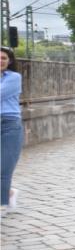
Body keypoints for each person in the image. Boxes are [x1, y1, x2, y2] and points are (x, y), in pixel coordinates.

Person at [1, 47, 23, 212]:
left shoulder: (14, 77)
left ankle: (2, 206)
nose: (0, 60)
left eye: (3, 58)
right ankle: (9, 193)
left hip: (9, 124)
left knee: (4, 168)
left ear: (9, 62)